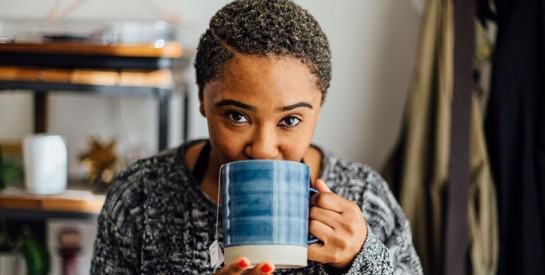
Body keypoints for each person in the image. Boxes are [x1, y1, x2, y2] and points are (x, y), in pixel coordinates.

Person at [91, 0, 423, 274]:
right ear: (202, 100)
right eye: (237, 116)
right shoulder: (140, 196)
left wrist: (361, 259)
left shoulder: (365, 199)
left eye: (290, 119)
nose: (263, 148)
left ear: (319, 108)